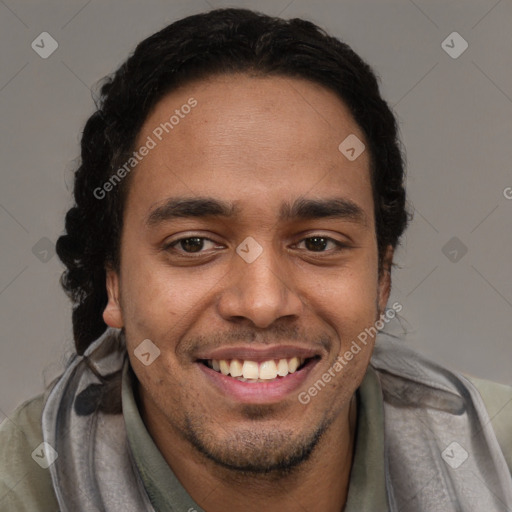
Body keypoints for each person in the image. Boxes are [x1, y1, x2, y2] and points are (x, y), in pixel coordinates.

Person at [1, 7, 511, 512]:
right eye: (193, 244)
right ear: (113, 281)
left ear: (382, 278)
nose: (263, 303)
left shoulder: (499, 462)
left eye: (317, 243)